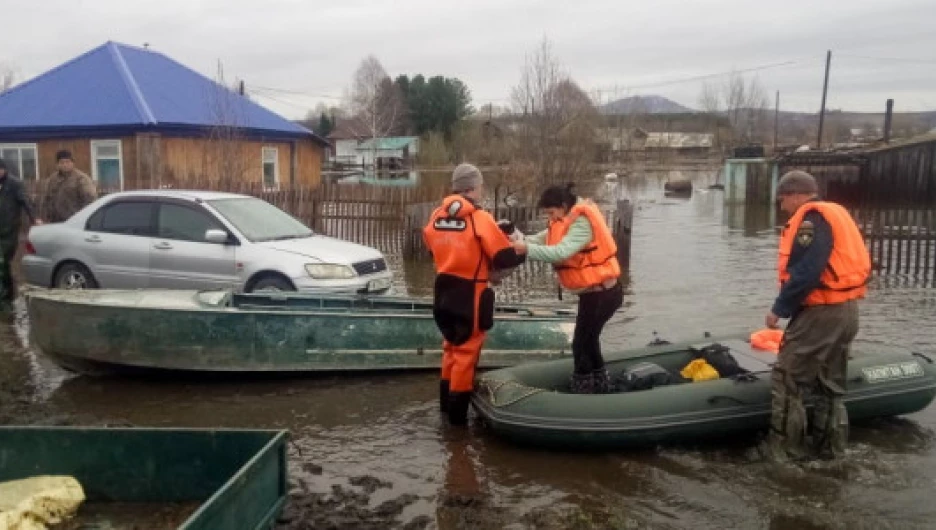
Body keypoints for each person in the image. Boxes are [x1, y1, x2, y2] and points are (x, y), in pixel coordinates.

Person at [762, 170, 870, 461]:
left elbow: (807, 271)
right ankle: (832, 451)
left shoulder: (812, 220)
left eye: (783, 199)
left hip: (822, 312)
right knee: (829, 385)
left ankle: (784, 456)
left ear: (797, 194)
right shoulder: (837, 213)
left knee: (788, 382)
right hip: (846, 310)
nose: (782, 206)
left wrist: (779, 309)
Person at [423, 163, 525, 426]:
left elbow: (430, 247)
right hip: (471, 292)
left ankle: (445, 411)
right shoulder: (479, 218)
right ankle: (457, 424)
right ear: (474, 187)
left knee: (450, 348)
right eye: (480, 185)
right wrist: (521, 249)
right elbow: (503, 257)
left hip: (443, 289)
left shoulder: (436, 215)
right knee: (466, 354)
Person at [513, 183, 623, 394]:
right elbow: (545, 237)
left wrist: (526, 249)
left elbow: (560, 253)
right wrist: (521, 240)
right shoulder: (565, 219)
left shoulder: (582, 223)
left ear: (563, 206)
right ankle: (600, 384)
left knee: (581, 344)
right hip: (593, 294)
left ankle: (583, 390)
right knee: (589, 341)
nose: (551, 217)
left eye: (552, 212)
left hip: (603, 293)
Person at [0, 159, 40, 301]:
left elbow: (26, 201)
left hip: (9, 231)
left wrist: (34, 218)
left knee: (4, 261)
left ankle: (8, 295)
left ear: (4, 169)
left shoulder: (14, 184)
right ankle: (6, 292)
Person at [38, 150, 97, 223]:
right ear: (57, 164)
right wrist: (42, 217)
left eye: (67, 162)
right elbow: (45, 200)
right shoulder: (52, 179)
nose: (65, 165)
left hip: (75, 221)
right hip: (54, 222)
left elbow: (90, 200)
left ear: (73, 163)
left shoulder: (81, 179)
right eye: (62, 162)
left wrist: (82, 217)